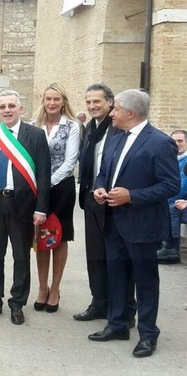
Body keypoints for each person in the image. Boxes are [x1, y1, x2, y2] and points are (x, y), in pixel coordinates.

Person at [89, 89, 179, 358]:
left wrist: (132, 196)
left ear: (131, 112)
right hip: (113, 222)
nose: (112, 113)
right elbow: (103, 172)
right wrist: (100, 188)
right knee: (116, 275)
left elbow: (170, 185)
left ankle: (148, 334)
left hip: (142, 224)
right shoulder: (116, 137)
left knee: (145, 281)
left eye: (115, 108)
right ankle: (117, 324)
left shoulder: (160, 142)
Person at [0, 90, 51, 325]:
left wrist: (41, 208)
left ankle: (17, 303)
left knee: (21, 256)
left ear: (21, 109)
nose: (7, 110)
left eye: (11, 106)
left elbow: (43, 174)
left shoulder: (36, 135)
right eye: (2, 107)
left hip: (23, 204)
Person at [74, 83, 123, 321]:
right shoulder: (90, 128)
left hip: (115, 201)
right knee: (94, 255)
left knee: (116, 256)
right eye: (89, 102)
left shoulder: (119, 128)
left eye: (97, 102)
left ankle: (122, 308)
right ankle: (99, 302)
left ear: (110, 102)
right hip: (91, 198)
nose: (92, 106)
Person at [31, 84, 80, 313]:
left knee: (59, 237)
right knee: (41, 236)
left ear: (63, 102)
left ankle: (56, 288)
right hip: (37, 189)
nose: (51, 103)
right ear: (43, 100)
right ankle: (42, 287)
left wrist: (46, 183)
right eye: (48, 98)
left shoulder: (72, 126)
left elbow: (70, 163)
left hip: (61, 188)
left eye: (56, 99)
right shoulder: (35, 125)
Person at [156, 130, 187, 264]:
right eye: (173, 141)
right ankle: (157, 243)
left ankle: (171, 248)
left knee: (173, 208)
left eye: (180, 141)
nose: (176, 144)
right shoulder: (168, 160)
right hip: (167, 200)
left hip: (182, 204)